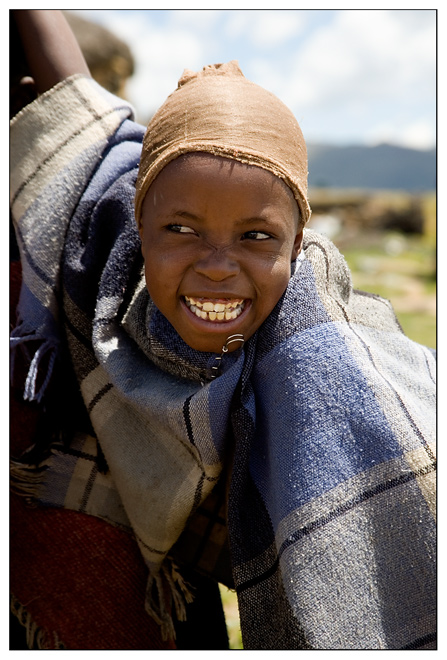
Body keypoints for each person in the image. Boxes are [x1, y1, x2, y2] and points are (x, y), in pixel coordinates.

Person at [10, 10, 436, 651]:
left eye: (256, 237)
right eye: (181, 230)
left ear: (298, 247)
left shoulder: (333, 365)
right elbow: (78, 128)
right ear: (139, 225)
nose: (216, 265)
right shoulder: (98, 261)